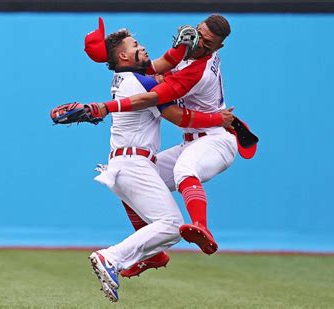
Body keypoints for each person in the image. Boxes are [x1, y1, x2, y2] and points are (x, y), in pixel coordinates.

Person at [81, 18, 234, 302]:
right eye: (136, 46)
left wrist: (173, 53)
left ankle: (151, 255)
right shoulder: (142, 80)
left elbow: (161, 64)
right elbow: (174, 112)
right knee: (170, 225)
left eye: (206, 41)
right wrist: (217, 118)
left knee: (160, 191)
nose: (144, 48)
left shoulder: (129, 75)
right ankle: (111, 258)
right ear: (125, 56)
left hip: (130, 163)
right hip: (136, 162)